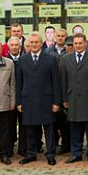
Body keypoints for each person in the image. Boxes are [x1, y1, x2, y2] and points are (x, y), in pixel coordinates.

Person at [16, 32, 61, 165]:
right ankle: (30, 154)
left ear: (41, 44)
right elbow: (19, 83)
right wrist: (19, 102)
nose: (34, 45)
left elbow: (56, 82)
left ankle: (50, 154)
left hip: (46, 100)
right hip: (28, 100)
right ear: (28, 44)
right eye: (32, 42)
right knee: (29, 129)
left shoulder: (51, 59)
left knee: (49, 129)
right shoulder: (22, 60)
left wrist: (56, 102)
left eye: (37, 42)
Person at [60, 33, 88, 164]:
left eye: (80, 43)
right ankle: (76, 153)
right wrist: (64, 99)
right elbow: (64, 81)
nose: (78, 46)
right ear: (73, 45)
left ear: (85, 44)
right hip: (72, 98)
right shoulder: (66, 59)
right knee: (75, 128)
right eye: (75, 43)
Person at [7, 36, 26, 157]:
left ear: (20, 46)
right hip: (7, 98)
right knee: (9, 125)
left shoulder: (25, 59)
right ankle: (8, 148)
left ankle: (23, 148)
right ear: (8, 47)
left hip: (23, 97)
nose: (14, 47)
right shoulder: (4, 60)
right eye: (12, 45)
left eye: (16, 45)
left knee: (24, 124)